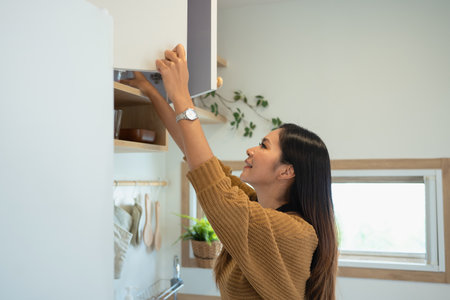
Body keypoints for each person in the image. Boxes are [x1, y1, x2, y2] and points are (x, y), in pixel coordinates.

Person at [121, 44, 338, 300]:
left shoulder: (294, 233)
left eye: (263, 145)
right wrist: (150, 90)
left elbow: (213, 185)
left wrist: (181, 96)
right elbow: (201, 162)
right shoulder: (256, 207)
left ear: (286, 171)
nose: (251, 150)